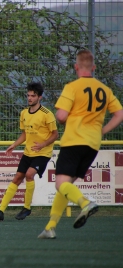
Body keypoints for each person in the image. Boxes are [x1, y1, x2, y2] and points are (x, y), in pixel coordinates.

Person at [38, 49, 123, 239]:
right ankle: (50, 227)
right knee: (65, 186)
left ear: (76, 67)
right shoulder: (105, 90)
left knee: (61, 184)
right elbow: (120, 114)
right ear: (93, 68)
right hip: (92, 144)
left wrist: (63, 115)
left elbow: (60, 116)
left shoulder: (73, 87)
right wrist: (103, 130)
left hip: (74, 141)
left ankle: (85, 203)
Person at [0, 82, 58, 221]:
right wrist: (14, 145)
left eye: (33, 96)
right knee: (17, 178)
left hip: (42, 153)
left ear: (40, 97)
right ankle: (0, 211)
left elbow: (55, 134)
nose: (29, 98)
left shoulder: (47, 114)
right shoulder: (24, 113)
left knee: (29, 174)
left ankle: (27, 208)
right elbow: (25, 134)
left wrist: (43, 144)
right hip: (28, 152)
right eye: (28, 95)